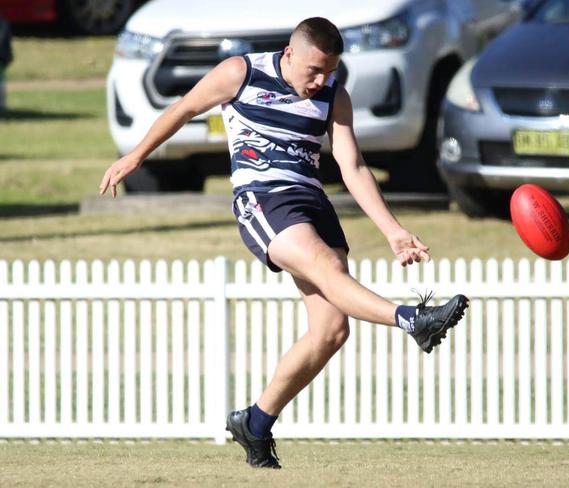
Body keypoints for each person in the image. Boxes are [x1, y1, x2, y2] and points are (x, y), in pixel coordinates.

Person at [99, 17, 468, 469]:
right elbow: (184, 109)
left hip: (311, 199)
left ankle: (254, 423)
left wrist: (392, 230)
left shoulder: (336, 95)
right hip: (262, 198)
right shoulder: (242, 73)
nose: (321, 80)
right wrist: (135, 155)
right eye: (314, 70)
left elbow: (352, 167)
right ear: (290, 53)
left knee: (331, 331)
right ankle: (413, 319)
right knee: (327, 272)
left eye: (329, 71)